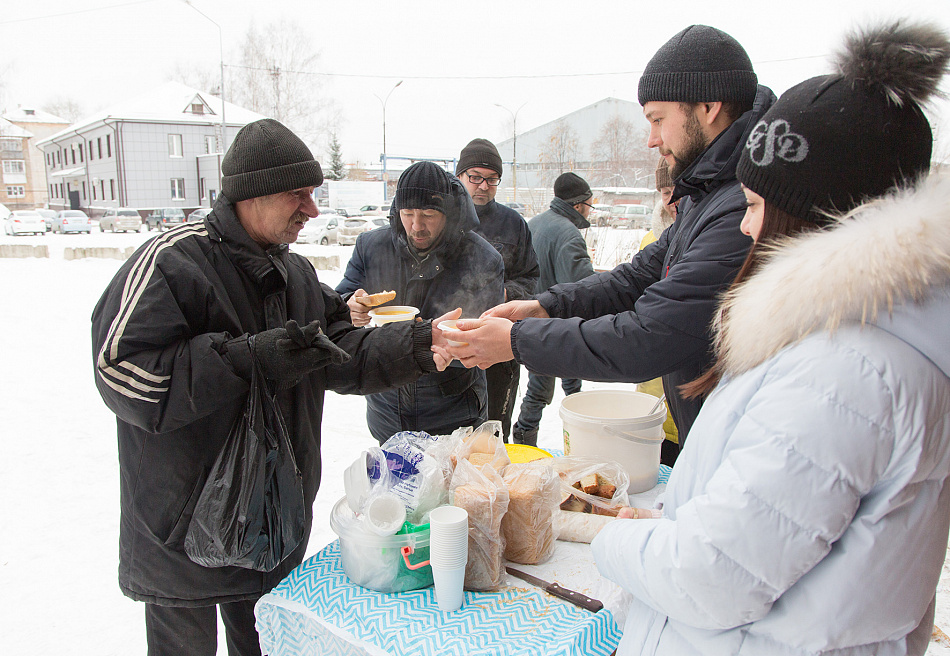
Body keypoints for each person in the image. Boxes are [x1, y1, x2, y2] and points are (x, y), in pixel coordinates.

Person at [592, 21, 950, 655]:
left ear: (817, 217)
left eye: (756, 207)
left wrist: (613, 538)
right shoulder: (855, 342)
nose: (747, 228)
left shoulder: (847, 371)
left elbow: (712, 579)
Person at [92, 119, 451, 656]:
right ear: (251, 194)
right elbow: (123, 373)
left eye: (312, 195)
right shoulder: (173, 263)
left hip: (271, 517)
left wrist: (423, 345)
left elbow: (339, 353)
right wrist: (248, 360)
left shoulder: (297, 274)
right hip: (183, 525)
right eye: (297, 195)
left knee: (263, 643)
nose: (310, 210)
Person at [441, 26, 775, 456]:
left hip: (740, 446)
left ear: (708, 107)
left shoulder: (741, 207)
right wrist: (545, 306)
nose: (652, 139)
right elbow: (635, 278)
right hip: (708, 435)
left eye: (657, 119)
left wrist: (516, 340)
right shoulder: (707, 193)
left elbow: (650, 336)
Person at [336, 161, 504, 443]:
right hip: (386, 406)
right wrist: (349, 306)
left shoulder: (482, 259)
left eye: (428, 214)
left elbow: (484, 341)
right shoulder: (371, 247)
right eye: (407, 213)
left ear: (448, 213)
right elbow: (340, 303)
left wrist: (431, 343)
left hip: (453, 410)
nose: (416, 225)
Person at [456, 138, 540, 441]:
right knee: (452, 432)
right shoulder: (441, 219)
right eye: (475, 177)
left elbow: (531, 277)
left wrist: (506, 294)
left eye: (492, 179)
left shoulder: (513, 223)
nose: (483, 185)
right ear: (459, 176)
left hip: (498, 342)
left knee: (493, 428)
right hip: (450, 341)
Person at [510, 172, 595, 446]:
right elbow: (584, 287)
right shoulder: (569, 234)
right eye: (590, 205)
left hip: (529, 319)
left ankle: (524, 438)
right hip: (560, 325)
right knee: (550, 386)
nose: (589, 211)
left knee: (542, 381)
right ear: (578, 204)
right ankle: (578, 437)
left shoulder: (534, 223)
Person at [637, 157, 679, 462]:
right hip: (653, 384)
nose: (672, 199)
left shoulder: (713, 239)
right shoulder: (652, 240)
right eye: (665, 192)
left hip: (691, 388)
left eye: (677, 188)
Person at [639, 157, 676, 250]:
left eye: (680, 191)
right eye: (666, 193)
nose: (673, 200)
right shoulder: (649, 240)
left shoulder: (707, 234)